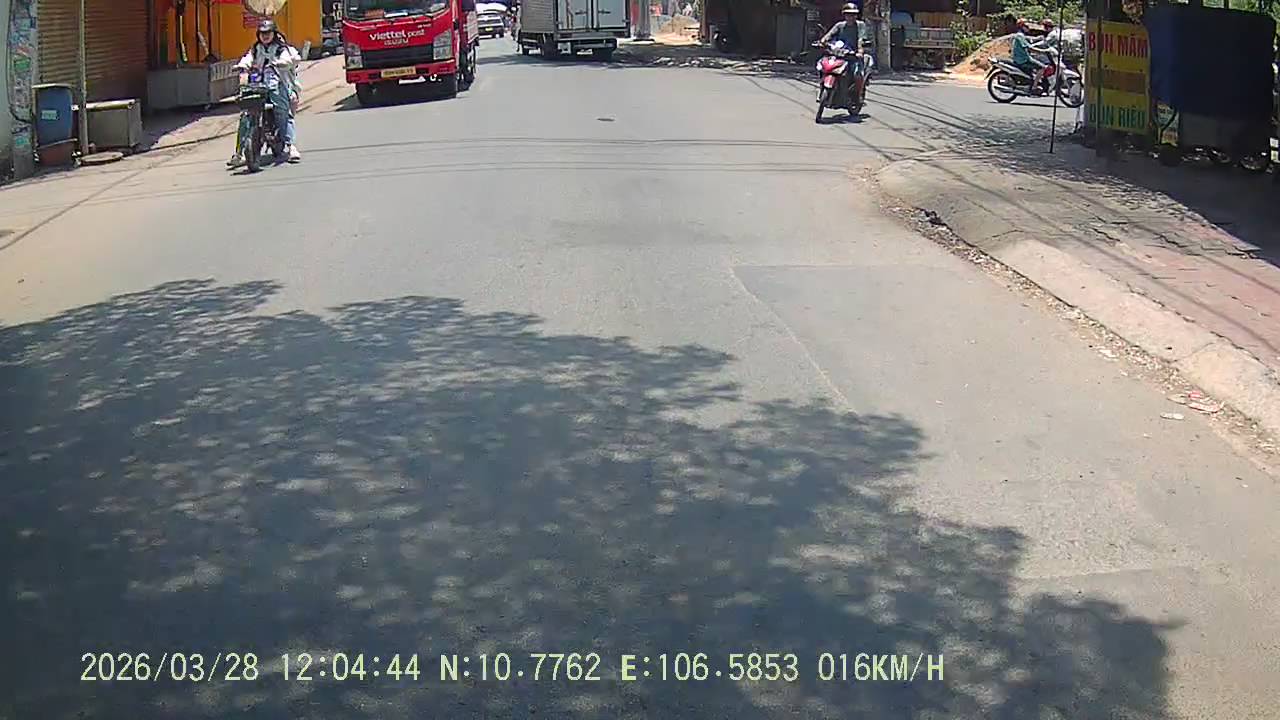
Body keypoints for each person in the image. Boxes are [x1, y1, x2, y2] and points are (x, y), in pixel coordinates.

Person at [228, 20, 302, 167]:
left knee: (282, 111)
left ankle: (291, 146)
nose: (265, 36)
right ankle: (239, 153)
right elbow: (247, 59)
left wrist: (282, 63)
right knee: (246, 115)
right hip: (257, 86)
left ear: (274, 33)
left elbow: (291, 59)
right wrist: (242, 66)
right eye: (262, 33)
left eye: (268, 33)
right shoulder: (256, 49)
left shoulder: (282, 49)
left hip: (277, 84)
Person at [817, 4, 870, 96]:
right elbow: (829, 35)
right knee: (822, 66)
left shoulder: (860, 25)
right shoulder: (839, 25)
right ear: (844, 15)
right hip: (838, 54)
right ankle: (822, 87)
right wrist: (822, 42)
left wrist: (860, 50)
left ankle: (857, 95)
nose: (850, 17)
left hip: (853, 56)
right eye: (848, 14)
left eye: (853, 15)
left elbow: (861, 39)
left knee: (857, 74)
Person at [1011, 18, 1053, 92]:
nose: (1028, 28)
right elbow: (1029, 48)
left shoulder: (1021, 35)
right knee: (1042, 67)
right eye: (1026, 26)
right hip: (1023, 59)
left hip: (1023, 58)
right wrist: (1042, 51)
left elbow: (1030, 44)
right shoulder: (1020, 36)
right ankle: (1034, 87)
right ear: (1022, 26)